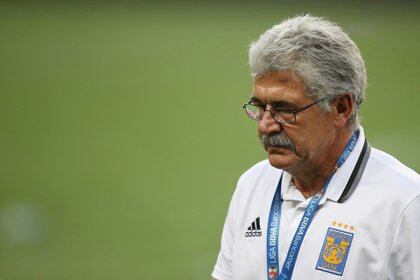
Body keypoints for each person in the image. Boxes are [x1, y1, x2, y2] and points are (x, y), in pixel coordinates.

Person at [211, 14, 420, 280]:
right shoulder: (252, 184)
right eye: (260, 108)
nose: (265, 125)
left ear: (341, 108)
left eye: (285, 109)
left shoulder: (406, 204)